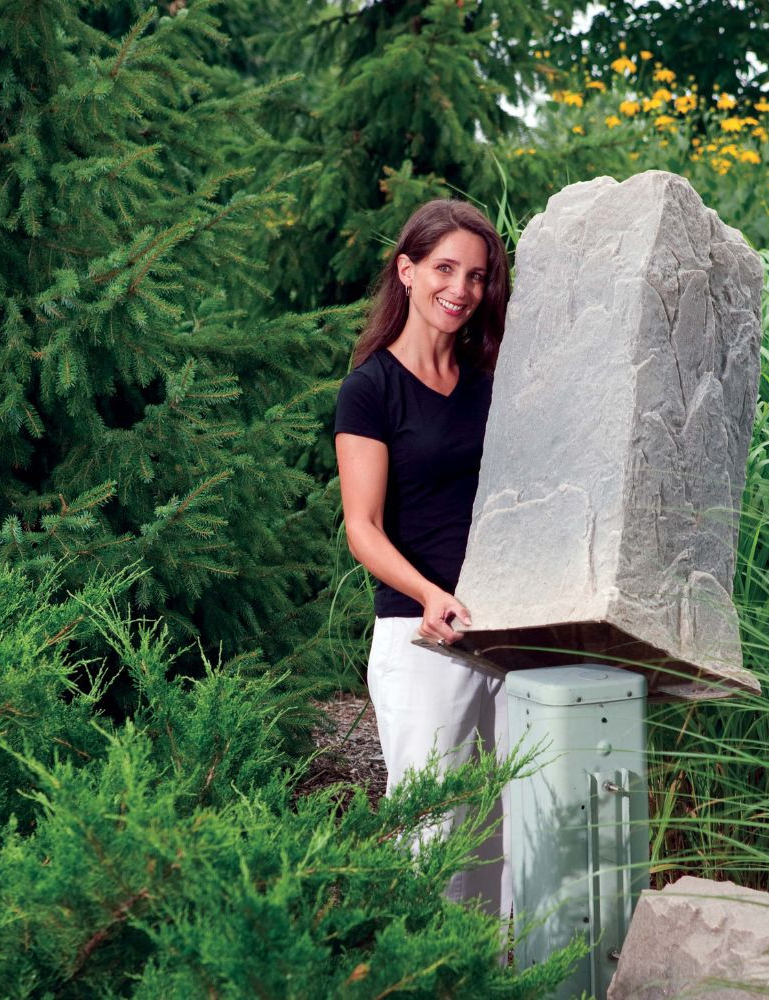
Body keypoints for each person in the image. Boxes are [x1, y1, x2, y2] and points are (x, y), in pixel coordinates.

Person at [333, 199, 512, 920]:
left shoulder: (491, 382)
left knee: (504, 835)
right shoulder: (370, 390)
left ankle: (501, 973)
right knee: (432, 838)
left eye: (476, 276)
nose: (460, 289)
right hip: (421, 636)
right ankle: (425, 968)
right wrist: (431, 595)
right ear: (406, 272)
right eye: (444, 268)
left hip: (508, 634)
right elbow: (363, 527)